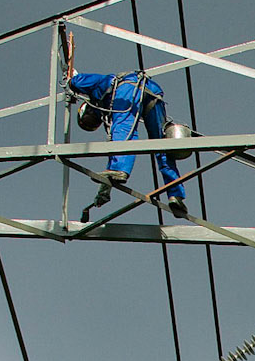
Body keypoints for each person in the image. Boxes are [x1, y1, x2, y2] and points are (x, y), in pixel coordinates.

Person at [61, 28, 188, 219]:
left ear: (87, 109)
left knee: (124, 129)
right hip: (152, 92)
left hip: (129, 88)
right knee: (162, 146)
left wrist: (71, 81)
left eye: (89, 120)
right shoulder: (108, 108)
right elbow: (116, 149)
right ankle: (176, 195)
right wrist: (104, 191)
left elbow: (76, 81)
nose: (94, 120)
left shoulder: (98, 89)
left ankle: (121, 170)